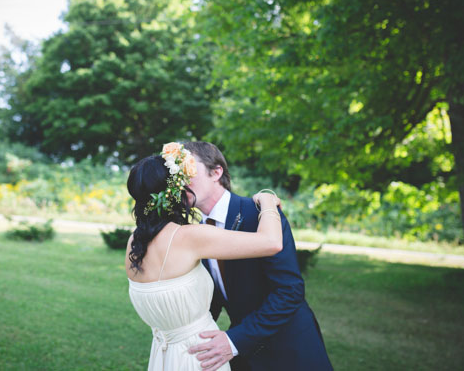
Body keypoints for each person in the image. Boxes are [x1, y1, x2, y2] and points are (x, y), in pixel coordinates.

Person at [126, 142, 284, 371]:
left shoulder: (134, 243)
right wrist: (268, 200)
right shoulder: (190, 237)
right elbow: (271, 242)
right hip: (199, 357)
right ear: (175, 190)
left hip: (164, 355)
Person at [184, 141, 333, 371]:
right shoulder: (195, 232)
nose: (180, 183)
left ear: (216, 172)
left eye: (187, 172)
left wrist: (234, 341)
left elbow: (289, 291)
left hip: (291, 350)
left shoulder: (261, 214)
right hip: (246, 357)